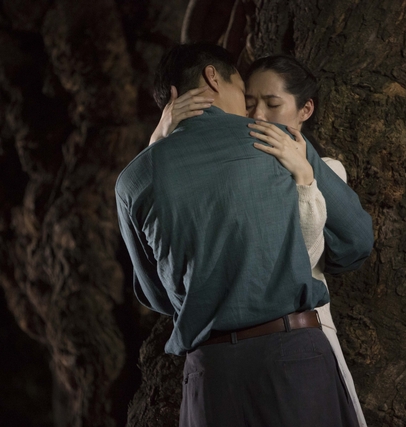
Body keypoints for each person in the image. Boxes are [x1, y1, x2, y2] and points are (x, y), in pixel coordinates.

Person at [116, 43, 373, 426]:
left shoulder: (132, 180)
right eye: (243, 91)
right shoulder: (276, 140)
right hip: (291, 359)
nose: (249, 109)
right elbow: (356, 242)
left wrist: (156, 149)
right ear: (213, 77)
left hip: (210, 374)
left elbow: (157, 295)